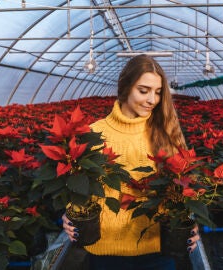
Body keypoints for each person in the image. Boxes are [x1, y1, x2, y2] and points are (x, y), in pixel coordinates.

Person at [62, 54, 200, 270]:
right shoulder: (93, 133)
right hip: (106, 251)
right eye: (143, 91)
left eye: (157, 92)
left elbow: (181, 190)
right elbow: (80, 189)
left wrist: (190, 223)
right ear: (125, 87)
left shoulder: (166, 132)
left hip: (157, 249)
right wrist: (70, 216)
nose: (152, 100)